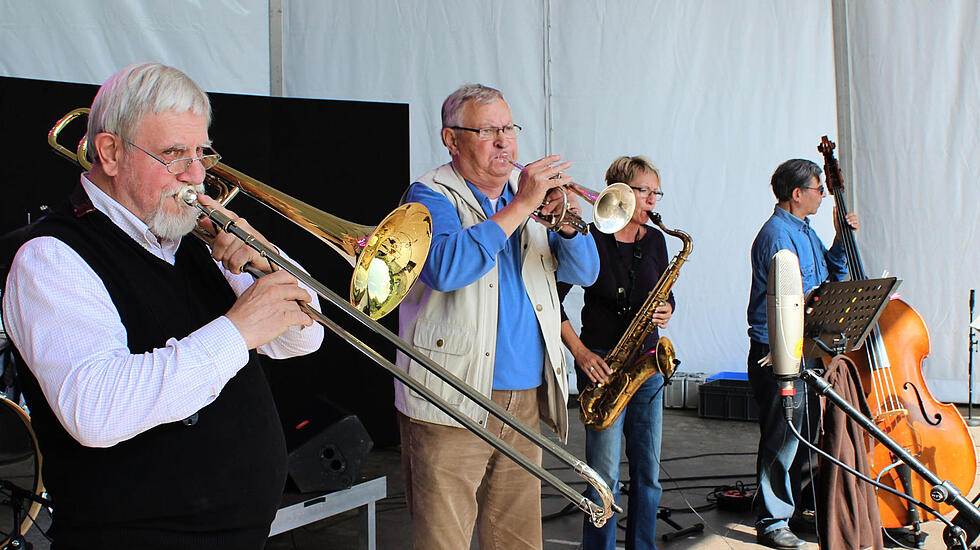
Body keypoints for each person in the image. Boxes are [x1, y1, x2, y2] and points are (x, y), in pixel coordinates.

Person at [1, 62, 324, 549]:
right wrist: (236, 332)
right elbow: (96, 411)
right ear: (109, 152)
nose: (196, 175)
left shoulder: (190, 231)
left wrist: (266, 262)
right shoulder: (50, 256)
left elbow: (303, 337)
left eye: (202, 152)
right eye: (174, 154)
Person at [394, 83, 600, 550]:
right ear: (451, 139)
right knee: (443, 537)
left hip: (523, 394)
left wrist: (568, 222)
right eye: (488, 130)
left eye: (508, 127)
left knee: (517, 537)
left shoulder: (527, 197)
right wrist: (522, 205)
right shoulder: (428, 195)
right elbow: (446, 269)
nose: (505, 141)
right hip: (451, 392)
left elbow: (586, 272)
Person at [558, 155, 674, 550]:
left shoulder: (657, 239)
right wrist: (581, 353)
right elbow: (550, 301)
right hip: (603, 363)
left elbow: (663, 291)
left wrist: (667, 308)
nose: (652, 200)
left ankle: (643, 545)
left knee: (648, 473)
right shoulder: (588, 238)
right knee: (602, 476)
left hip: (647, 363)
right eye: (645, 191)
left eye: (656, 192)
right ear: (621, 192)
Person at [747, 158, 858, 549]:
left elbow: (829, 276)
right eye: (818, 189)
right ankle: (772, 520)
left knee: (805, 432)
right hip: (778, 350)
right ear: (798, 194)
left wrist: (842, 239)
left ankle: (792, 508)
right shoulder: (778, 235)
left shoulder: (804, 230)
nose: (823, 195)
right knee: (784, 436)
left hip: (805, 346)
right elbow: (801, 298)